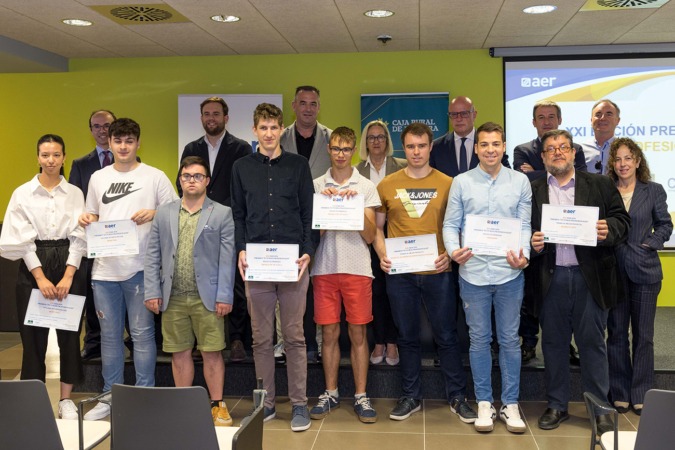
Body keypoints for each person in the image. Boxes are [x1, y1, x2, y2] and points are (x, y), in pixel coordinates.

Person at [529, 129, 630, 433]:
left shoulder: (599, 184)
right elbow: (524, 228)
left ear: (573, 153)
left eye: (563, 147)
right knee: (554, 344)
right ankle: (557, 404)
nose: (557, 152)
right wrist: (531, 241)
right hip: (551, 276)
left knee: (591, 345)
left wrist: (606, 229)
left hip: (590, 277)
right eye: (551, 149)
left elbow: (621, 221)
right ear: (543, 157)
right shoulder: (533, 189)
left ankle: (599, 408)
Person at [374, 122, 476, 423]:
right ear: (403, 149)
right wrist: (383, 255)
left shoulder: (450, 183)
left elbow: (460, 227)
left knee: (447, 335)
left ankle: (458, 396)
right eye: (410, 146)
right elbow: (378, 230)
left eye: (421, 146)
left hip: (438, 271)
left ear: (430, 147)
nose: (416, 152)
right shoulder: (387, 185)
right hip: (400, 274)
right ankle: (410, 396)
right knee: (406, 337)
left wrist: (450, 255)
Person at [79, 118, 178, 420]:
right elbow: (93, 212)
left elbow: (177, 210)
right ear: (109, 143)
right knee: (109, 337)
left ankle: (144, 395)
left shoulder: (155, 176)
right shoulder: (98, 177)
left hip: (141, 270)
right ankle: (110, 397)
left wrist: (155, 212)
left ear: (137, 143)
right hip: (104, 271)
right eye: (118, 141)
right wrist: (86, 218)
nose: (123, 146)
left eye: (129, 141)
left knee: (142, 335)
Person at [231, 103, 315, 432]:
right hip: (257, 263)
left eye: (274, 127)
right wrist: (240, 250)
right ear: (254, 131)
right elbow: (238, 214)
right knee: (260, 338)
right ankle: (265, 404)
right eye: (263, 128)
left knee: (294, 337)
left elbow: (309, 214)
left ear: (282, 129)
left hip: (293, 263)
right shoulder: (241, 167)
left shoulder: (298, 165)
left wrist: (308, 251)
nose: (269, 133)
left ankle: (298, 405)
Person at [443, 122, 531, 433]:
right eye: (484, 144)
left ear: (504, 146)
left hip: (510, 274)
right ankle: (484, 402)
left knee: (509, 340)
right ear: (476, 148)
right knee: (479, 340)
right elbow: (450, 225)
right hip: (473, 273)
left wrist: (524, 257)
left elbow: (524, 226)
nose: (490, 149)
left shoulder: (520, 182)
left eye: (496, 144)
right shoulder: (462, 182)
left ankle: (510, 404)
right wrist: (454, 252)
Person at [0, 134, 87, 421]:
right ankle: (33, 400)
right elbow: (20, 239)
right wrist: (40, 277)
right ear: (37, 157)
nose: (51, 160)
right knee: (33, 338)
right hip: (33, 263)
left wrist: (68, 275)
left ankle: (65, 400)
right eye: (45, 155)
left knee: (70, 336)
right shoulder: (22, 193)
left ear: (64, 157)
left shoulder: (75, 192)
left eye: (56, 155)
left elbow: (80, 235)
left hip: (67, 265)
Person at [145, 156, 237, 426]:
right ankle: (184, 405)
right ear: (180, 179)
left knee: (212, 352)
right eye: (187, 176)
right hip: (172, 297)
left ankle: (217, 404)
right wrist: (152, 290)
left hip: (207, 298)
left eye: (198, 176)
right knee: (179, 352)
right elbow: (152, 254)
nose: (192, 180)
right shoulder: (164, 212)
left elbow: (227, 258)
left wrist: (224, 295)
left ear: (207, 181)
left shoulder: (221, 213)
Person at [309, 127, 380, 423]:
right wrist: (327, 204)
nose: (341, 154)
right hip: (324, 268)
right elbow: (315, 234)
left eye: (346, 149)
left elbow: (370, 234)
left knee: (358, 333)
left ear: (354, 150)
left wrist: (355, 206)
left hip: (357, 268)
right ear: (328, 149)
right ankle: (331, 391)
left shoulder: (365, 186)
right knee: (328, 334)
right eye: (336, 148)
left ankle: (362, 395)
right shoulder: (315, 185)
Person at [179, 97, 252, 363]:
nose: (212, 118)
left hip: (229, 222)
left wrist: (219, 212)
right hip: (197, 225)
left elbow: (243, 189)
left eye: (216, 114)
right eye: (207, 114)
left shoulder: (241, 148)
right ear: (201, 118)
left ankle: (236, 339)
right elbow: (185, 185)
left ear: (226, 118)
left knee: (234, 283)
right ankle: (203, 340)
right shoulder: (191, 147)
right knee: (203, 281)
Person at [513, 100, 586, 364]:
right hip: (538, 235)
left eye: (551, 116)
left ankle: (567, 346)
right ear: (534, 122)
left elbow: (581, 178)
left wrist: (538, 172)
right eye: (541, 117)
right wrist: (546, 173)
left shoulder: (576, 149)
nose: (546, 121)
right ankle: (529, 343)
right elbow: (524, 180)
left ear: (559, 120)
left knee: (566, 304)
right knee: (533, 296)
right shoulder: (522, 149)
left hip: (571, 233)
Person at [606, 138, 672, 416]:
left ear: (637, 161)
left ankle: (641, 392)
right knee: (617, 334)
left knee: (644, 336)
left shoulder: (653, 190)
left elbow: (665, 224)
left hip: (645, 271)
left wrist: (652, 243)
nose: (623, 164)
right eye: (617, 159)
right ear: (612, 164)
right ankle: (620, 392)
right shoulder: (605, 190)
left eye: (628, 159)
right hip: (613, 272)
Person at [280, 85, 332, 362]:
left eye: (313, 103)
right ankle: (293, 341)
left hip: (324, 222)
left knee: (316, 285)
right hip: (289, 221)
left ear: (319, 106)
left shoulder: (330, 137)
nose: (308, 108)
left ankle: (315, 343)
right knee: (291, 285)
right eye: (303, 103)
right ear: (294, 106)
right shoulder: (280, 137)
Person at [355, 119, 405, 366]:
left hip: (394, 240)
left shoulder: (402, 166)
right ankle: (378, 341)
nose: (376, 141)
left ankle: (393, 341)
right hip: (364, 243)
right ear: (366, 142)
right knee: (374, 294)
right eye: (371, 137)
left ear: (387, 141)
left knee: (393, 293)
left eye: (381, 137)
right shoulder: (356, 171)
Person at [69, 109, 116, 360]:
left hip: (121, 241)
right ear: (91, 130)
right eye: (96, 126)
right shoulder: (80, 164)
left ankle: (125, 339)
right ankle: (93, 341)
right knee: (91, 293)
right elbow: (75, 203)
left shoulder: (131, 159)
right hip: (91, 241)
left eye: (107, 125)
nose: (102, 130)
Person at [430, 95, 509, 177]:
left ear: (474, 115)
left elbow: (506, 175)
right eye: (454, 114)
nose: (459, 119)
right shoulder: (436, 147)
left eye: (464, 113)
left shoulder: (491, 144)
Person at [582, 99, 620, 174]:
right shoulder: (580, 150)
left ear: (617, 121)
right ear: (591, 120)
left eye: (609, 114)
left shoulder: (626, 149)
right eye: (598, 115)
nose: (603, 118)